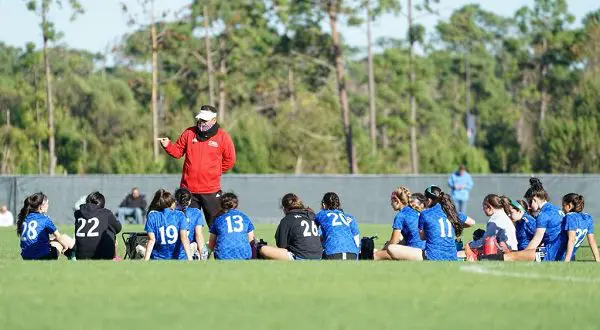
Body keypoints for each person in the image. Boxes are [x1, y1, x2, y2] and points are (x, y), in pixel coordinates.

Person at [159, 105, 236, 227]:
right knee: (186, 227)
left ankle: (215, 246)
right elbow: (178, 152)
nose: (201, 122)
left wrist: (214, 172)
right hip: (188, 191)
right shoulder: (189, 133)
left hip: (211, 190)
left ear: (214, 120)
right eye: (200, 119)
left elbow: (230, 160)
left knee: (216, 226)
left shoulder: (223, 137)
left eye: (205, 120)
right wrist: (168, 145)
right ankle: (188, 247)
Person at [387, 185, 462, 261]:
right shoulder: (450, 212)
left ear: (429, 200)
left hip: (430, 255)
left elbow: (421, 237)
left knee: (390, 248)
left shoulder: (423, 214)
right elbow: (471, 222)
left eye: (424, 200)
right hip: (452, 255)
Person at [258, 193, 323, 261]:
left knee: (264, 249)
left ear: (284, 208)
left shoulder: (287, 219)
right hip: (318, 256)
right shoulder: (310, 216)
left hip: (300, 256)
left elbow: (281, 245)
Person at [17, 192, 75, 260]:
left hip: (26, 256)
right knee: (64, 238)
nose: (48, 205)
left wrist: (51, 240)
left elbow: (31, 239)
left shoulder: (25, 218)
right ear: (41, 207)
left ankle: (73, 256)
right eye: (47, 203)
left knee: (55, 239)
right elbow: (58, 236)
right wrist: (65, 247)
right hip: (42, 256)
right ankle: (73, 257)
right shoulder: (44, 219)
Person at [375, 188, 425, 260]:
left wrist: (383, 249)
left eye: (392, 201)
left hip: (415, 252)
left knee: (377, 254)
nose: (391, 203)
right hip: (426, 251)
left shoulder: (401, 216)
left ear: (397, 201)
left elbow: (393, 242)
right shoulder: (416, 211)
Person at [143, 189, 192, 261]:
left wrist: (146, 260)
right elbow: (184, 238)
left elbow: (151, 240)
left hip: (157, 258)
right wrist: (190, 259)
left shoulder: (152, 216)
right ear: (171, 202)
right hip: (178, 258)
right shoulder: (180, 215)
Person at [74, 192, 122, 260]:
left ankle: (72, 255)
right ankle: (114, 257)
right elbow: (118, 228)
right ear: (102, 203)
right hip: (103, 255)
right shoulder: (106, 213)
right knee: (110, 230)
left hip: (80, 256)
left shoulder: (78, 213)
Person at [208, 192, 255, 260]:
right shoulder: (244, 217)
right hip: (244, 255)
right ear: (236, 204)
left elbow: (211, 243)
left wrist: (206, 257)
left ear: (221, 205)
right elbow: (251, 240)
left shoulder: (218, 219)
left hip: (222, 256)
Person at [314, 192, 360, 260]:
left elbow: (313, 234)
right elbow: (356, 240)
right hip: (352, 254)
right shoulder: (349, 217)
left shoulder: (321, 214)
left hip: (332, 253)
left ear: (324, 204)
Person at [558, 193, 600, 262]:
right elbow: (592, 241)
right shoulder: (587, 218)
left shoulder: (570, 217)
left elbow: (572, 240)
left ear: (570, 205)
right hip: (571, 255)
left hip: (558, 255)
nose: (562, 208)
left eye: (563, 205)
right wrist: (598, 261)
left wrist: (566, 261)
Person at [175, 188, 206, 260]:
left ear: (176, 201)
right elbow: (199, 235)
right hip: (187, 249)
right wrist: (203, 255)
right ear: (189, 201)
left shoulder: (171, 213)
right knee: (195, 245)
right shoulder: (196, 212)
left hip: (172, 250)